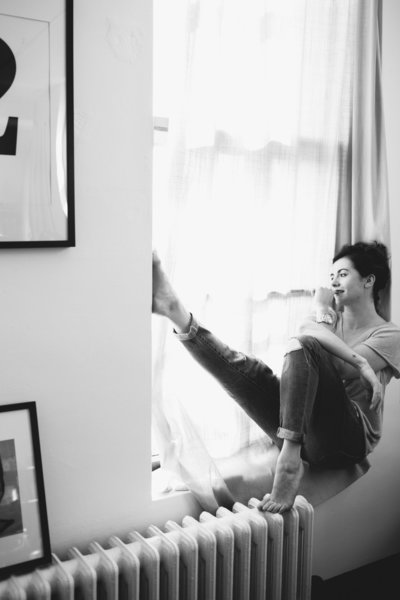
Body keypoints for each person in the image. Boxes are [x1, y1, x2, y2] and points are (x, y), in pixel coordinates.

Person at [152, 242, 400, 514]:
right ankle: (177, 313)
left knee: (307, 344)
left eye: (342, 274)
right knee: (251, 369)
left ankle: (289, 461)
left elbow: (339, 368)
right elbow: (305, 331)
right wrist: (321, 308)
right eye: (330, 277)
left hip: (349, 441)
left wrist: (342, 346)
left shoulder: (389, 335)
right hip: (307, 430)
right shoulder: (327, 318)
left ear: (369, 281)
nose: (333, 282)